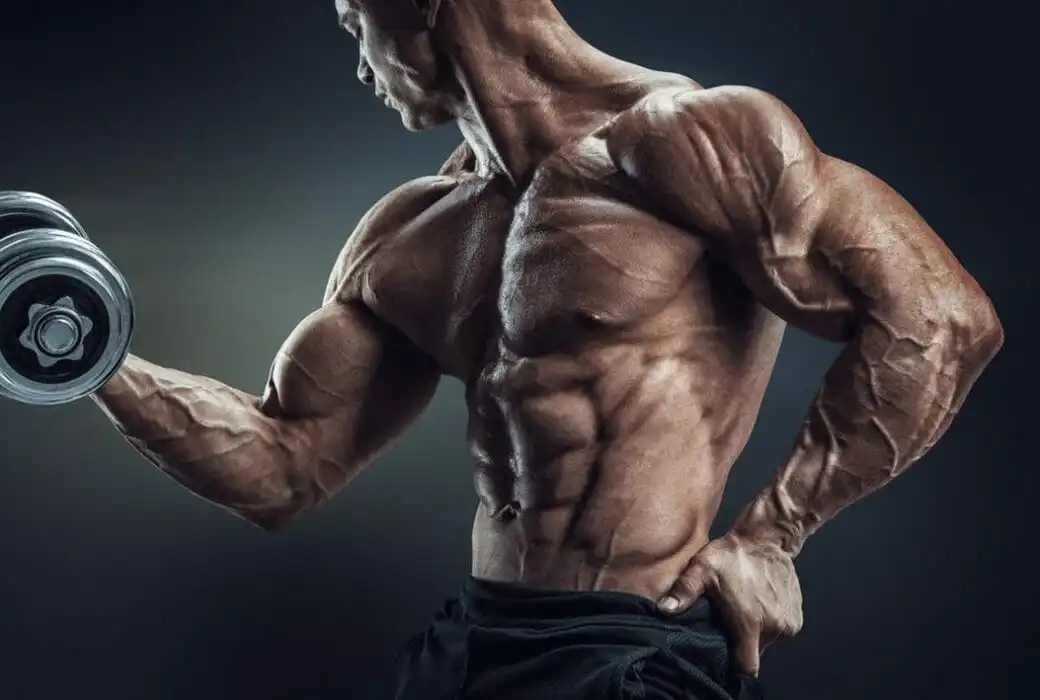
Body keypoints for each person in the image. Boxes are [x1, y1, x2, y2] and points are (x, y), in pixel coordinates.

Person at [91, 0, 1004, 697]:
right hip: (471, 648)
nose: (359, 58)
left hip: (633, 646)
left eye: (352, 17)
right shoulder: (413, 230)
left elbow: (939, 320)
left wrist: (773, 539)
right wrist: (94, 361)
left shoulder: (690, 140)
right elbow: (283, 465)